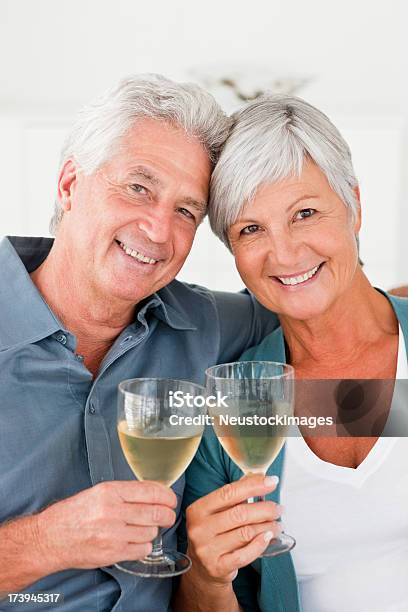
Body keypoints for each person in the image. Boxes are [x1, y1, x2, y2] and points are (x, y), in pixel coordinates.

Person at [0, 75, 280, 612]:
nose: (156, 229)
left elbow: (325, 309)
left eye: (185, 211)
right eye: (139, 187)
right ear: (69, 185)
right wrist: (45, 541)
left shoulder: (207, 323)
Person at [177, 95, 408, 612]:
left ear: (354, 206)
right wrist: (207, 579)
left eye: (304, 213)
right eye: (251, 229)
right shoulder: (228, 408)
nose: (284, 254)